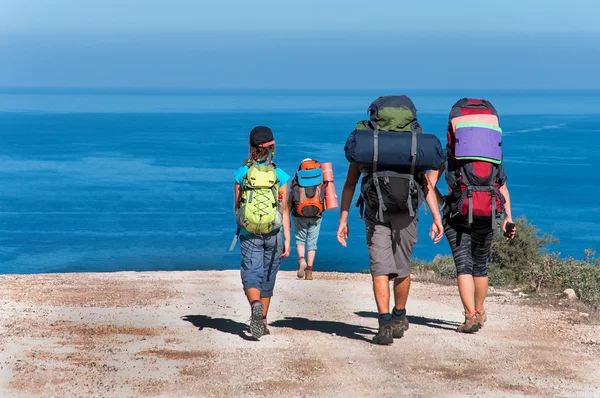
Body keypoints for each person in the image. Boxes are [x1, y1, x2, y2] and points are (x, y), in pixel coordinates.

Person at [337, 95, 444, 345]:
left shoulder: (368, 144)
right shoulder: (413, 144)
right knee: (402, 267)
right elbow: (426, 184)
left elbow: (350, 182)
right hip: (407, 212)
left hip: (375, 212)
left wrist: (343, 219)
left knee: (380, 269)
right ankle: (399, 317)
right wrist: (437, 218)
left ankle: (384, 325)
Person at [426, 98, 516, 333]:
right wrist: (508, 218)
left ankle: (469, 316)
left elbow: (428, 183)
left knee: (463, 265)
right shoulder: (493, 155)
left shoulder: (449, 153)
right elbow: (502, 187)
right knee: (480, 266)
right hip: (488, 212)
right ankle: (480, 310)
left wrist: (439, 209)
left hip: (457, 213)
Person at [233, 126, 291, 340]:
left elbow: (237, 208)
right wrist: (287, 240)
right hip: (274, 232)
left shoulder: (242, 174)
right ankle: (263, 321)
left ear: (251, 147)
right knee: (268, 274)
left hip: (249, 232)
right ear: (272, 147)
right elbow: (284, 210)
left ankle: (255, 305)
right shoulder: (280, 175)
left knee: (251, 272)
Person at [289, 158, 326, 281]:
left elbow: (290, 200)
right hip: (316, 216)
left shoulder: (296, 181)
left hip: (299, 215)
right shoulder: (321, 181)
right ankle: (309, 271)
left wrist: (287, 217)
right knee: (312, 243)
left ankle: (301, 260)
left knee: (300, 239)